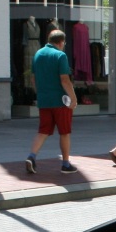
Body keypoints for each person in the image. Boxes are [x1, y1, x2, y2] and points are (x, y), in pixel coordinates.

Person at [26, 29, 78, 174]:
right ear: (61, 42)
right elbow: (65, 80)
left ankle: (31, 156)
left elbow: (33, 79)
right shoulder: (60, 55)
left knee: (43, 131)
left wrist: (41, 94)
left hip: (44, 100)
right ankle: (66, 164)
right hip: (60, 101)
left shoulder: (38, 54)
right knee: (65, 132)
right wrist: (73, 99)